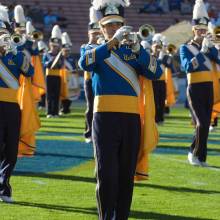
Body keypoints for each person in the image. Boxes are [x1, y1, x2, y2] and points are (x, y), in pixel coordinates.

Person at [78, 0, 163, 219]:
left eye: (117, 24)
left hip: (131, 119)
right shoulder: (92, 48)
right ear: (101, 27)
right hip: (104, 118)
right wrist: (112, 43)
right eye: (109, 25)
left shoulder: (135, 50)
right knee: (106, 173)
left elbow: (156, 72)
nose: (114, 28)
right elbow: (84, 63)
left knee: (126, 174)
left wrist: (139, 50)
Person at [179, 0, 220, 166]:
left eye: (205, 30)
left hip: (208, 87)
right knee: (201, 123)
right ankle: (193, 153)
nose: (202, 32)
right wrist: (201, 54)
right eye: (200, 30)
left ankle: (201, 157)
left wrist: (214, 49)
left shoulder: (210, 48)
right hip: (195, 88)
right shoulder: (185, 48)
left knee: (205, 124)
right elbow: (187, 67)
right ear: (194, 30)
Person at [0, 5, 34, 203]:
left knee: (11, 150)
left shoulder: (16, 55)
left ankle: (4, 186)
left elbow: (29, 72)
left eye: (5, 34)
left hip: (12, 106)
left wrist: (15, 52)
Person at [80, 6, 101, 143]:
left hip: (101, 80)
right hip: (89, 80)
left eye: (98, 33)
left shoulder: (103, 46)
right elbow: (85, 63)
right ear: (89, 34)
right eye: (94, 34)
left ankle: (98, 132)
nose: (96, 36)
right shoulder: (85, 47)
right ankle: (88, 133)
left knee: (100, 108)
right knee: (90, 107)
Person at [43, 25, 63, 118]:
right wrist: (52, 60)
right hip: (49, 76)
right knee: (49, 95)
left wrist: (57, 59)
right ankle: (49, 112)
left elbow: (60, 65)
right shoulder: (47, 54)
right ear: (50, 45)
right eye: (53, 46)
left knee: (56, 95)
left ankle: (56, 112)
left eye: (56, 46)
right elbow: (45, 64)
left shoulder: (60, 55)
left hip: (57, 76)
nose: (54, 47)